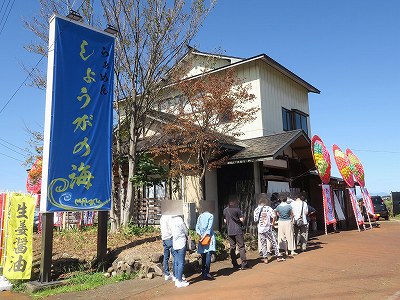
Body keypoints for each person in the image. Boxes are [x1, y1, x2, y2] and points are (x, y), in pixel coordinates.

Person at [254, 194, 285, 263]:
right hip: (268, 228)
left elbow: (255, 220)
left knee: (263, 243)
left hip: (260, 229)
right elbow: (274, 216)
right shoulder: (268, 208)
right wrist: (272, 223)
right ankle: (278, 257)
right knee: (273, 242)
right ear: (265, 202)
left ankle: (265, 258)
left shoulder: (256, 210)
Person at [223, 195, 249, 269]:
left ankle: (234, 264)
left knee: (232, 247)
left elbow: (225, 221)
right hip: (237, 230)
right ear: (234, 201)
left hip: (230, 231)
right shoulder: (237, 209)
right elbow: (241, 220)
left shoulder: (225, 210)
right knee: (241, 247)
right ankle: (244, 264)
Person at [195, 205, 216, 279]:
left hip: (201, 238)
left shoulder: (200, 216)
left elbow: (197, 227)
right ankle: (206, 272)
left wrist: (200, 235)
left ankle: (203, 271)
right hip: (208, 237)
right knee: (208, 254)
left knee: (203, 254)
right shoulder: (211, 216)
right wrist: (204, 236)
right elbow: (209, 228)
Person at [171, 215, 189, 288]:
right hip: (181, 243)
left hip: (174, 243)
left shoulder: (171, 220)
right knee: (181, 262)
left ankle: (177, 278)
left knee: (177, 262)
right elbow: (186, 231)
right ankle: (179, 280)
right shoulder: (180, 219)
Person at [160, 214, 174, 281]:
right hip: (169, 237)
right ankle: (175, 273)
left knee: (166, 257)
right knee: (175, 255)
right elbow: (171, 228)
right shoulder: (169, 217)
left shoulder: (162, 217)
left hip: (164, 238)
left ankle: (166, 274)